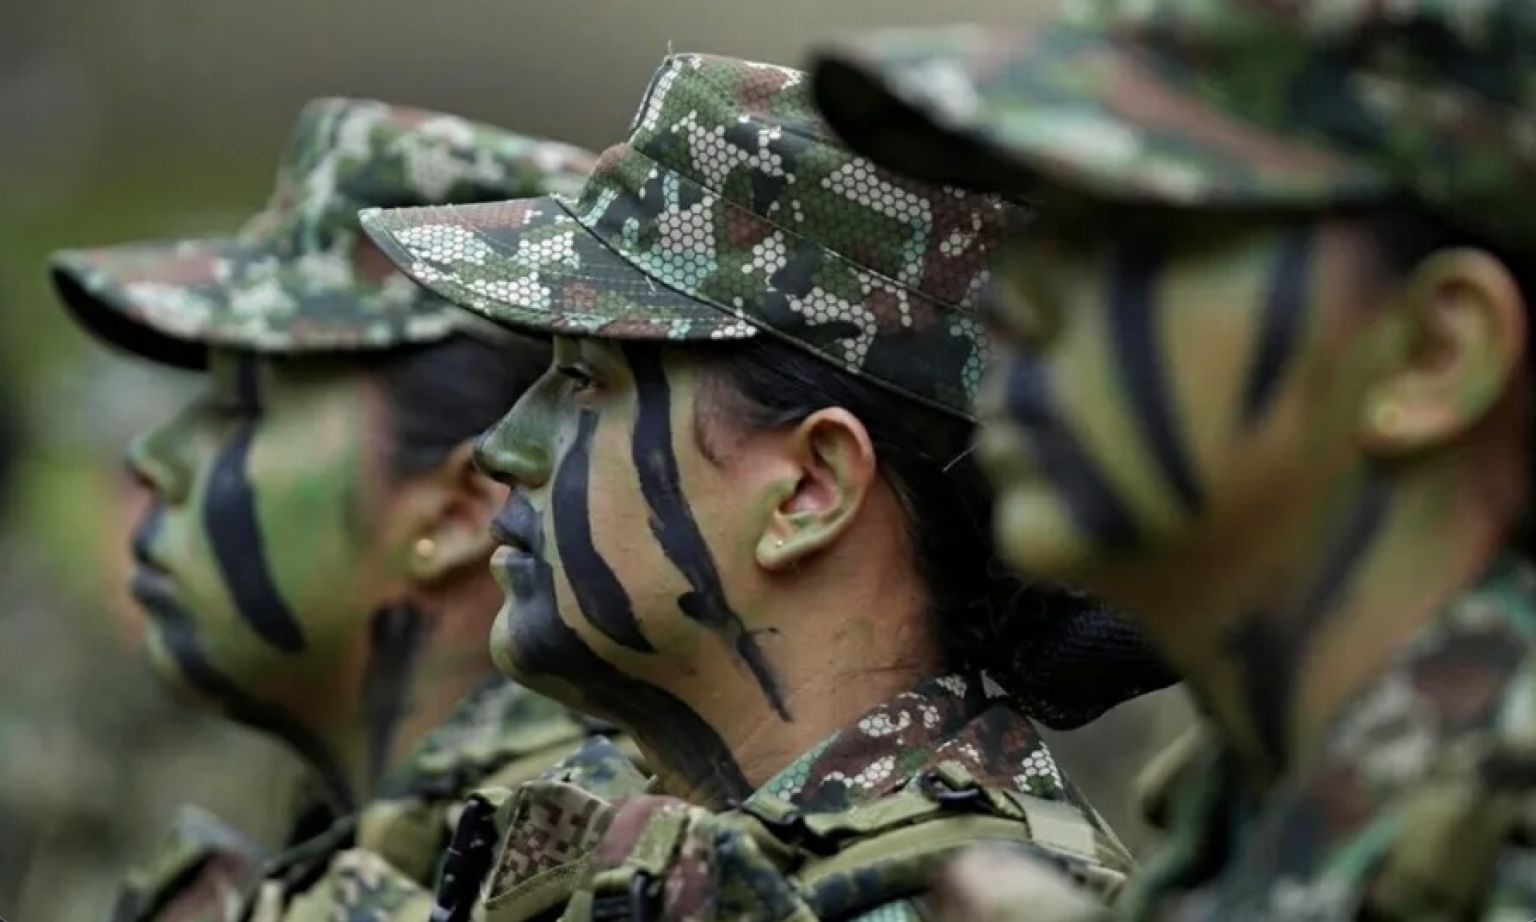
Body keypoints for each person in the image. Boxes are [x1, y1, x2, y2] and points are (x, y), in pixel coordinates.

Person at [360, 52, 1178, 922]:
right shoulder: (673, 868)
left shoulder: (959, 902)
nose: (502, 448)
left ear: (809, 489)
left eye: (587, 381)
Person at [805, 2, 1536, 919]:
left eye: (1133, 231)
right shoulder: (1263, 820)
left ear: (1432, 354)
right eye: (1043, 229)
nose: (1011, 301)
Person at [47, 97, 624, 922]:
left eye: (242, 407)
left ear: (459, 511)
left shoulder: (583, 880)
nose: (154, 457)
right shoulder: (421, 854)